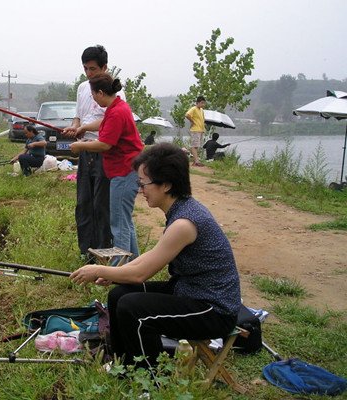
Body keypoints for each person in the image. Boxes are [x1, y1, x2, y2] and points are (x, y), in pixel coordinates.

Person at [70, 143, 241, 371]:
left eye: (144, 184)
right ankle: (123, 364)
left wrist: (100, 270)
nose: (141, 190)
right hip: (189, 291)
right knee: (119, 295)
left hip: (213, 309)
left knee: (133, 308)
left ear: (167, 185)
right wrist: (116, 275)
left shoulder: (184, 223)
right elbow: (151, 256)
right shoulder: (180, 210)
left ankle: (148, 379)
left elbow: (141, 273)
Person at [70, 73, 143, 258]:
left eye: (93, 96)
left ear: (101, 93)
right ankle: (133, 264)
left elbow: (104, 144)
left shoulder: (117, 112)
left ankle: (118, 270)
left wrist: (79, 145)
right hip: (126, 171)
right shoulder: (116, 107)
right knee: (125, 222)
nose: (93, 100)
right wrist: (83, 128)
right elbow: (103, 124)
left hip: (124, 172)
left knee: (118, 225)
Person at [62, 45, 125, 258]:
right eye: (86, 69)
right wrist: (75, 127)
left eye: (93, 69)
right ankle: (85, 251)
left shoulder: (115, 92)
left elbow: (109, 121)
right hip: (85, 149)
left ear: (105, 67)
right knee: (84, 203)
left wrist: (83, 129)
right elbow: (78, 116)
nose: (89, 74)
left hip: (104, 151)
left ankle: (103, 251)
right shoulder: (82, 88)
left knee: (101, 205)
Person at [185, 96, 207, 167]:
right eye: (201, 103)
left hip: (200, 129)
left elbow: (203, 119)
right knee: (194, 145)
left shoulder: (201, 110)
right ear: (197, 103)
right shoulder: (194, 108)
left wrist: (204, 127)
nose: (203, 104)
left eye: (204, 103)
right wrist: (192, 122)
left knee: (197, 146)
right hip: (195, 129)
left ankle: (196, 160)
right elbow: (187, 115)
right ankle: (196, 161)